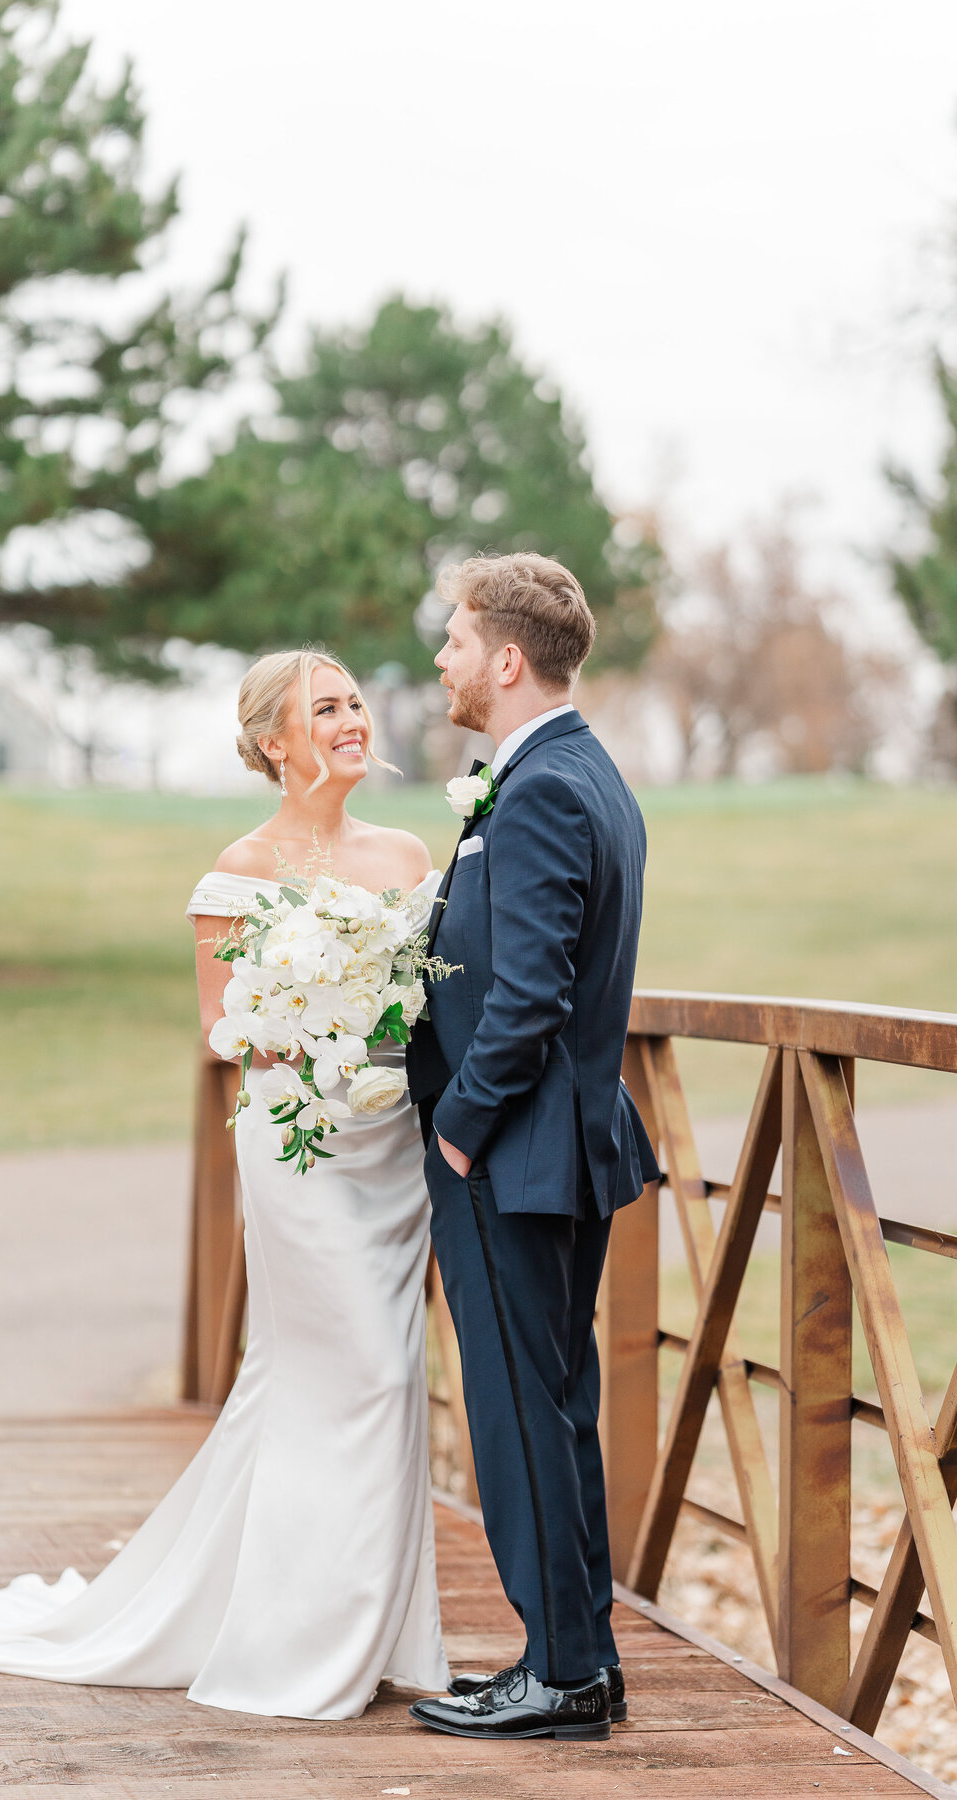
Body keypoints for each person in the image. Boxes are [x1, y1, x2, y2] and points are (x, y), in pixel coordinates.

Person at [0, 647, 450, 1721]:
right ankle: (301, 1645)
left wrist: (388, 1052)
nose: (353, 718)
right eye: (326, 708)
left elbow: (435, 1009)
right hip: (299, 1146)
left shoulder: (410, 854)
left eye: (356, 701)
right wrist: (317, 1034)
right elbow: (222, 1028)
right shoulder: (240, 867)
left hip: (390, 1152)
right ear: (275, 742)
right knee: (350, 1367)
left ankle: (360, 1630)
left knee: (380, 1375)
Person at [405, 552, 660, 1744]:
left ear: (508, 659)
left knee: (519, 1417)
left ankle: (557, 1674)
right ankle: (580, 1661)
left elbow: (530, 996)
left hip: (512, 1157)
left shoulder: (548, 788)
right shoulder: (573, 772)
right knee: (551, 1409)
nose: (443, 661)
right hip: (549, 1150)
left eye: (455, 641)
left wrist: (455, 1134)